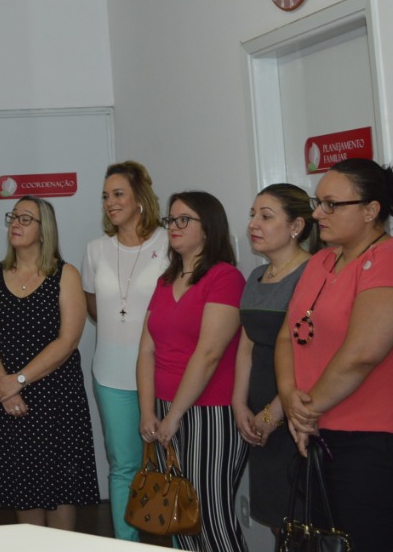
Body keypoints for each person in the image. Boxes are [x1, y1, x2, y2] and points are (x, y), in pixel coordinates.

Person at [275, 158, 393, 550]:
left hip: (370, 443)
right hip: (315, 432)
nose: (317, 214)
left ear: (370, 210)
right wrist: (289, 398)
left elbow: (363, 353)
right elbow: (287, 337)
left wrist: (305, 411)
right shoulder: (321, 260)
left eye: (331, 204)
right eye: (317, 202)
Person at [138, 191, 247, 552]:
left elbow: (209, 353)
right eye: (171, 219)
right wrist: (148, 412)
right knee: (180, 519)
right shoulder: (165, 280)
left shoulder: (225, 277)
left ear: (208, 227)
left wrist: (175, 415)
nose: (174, 226)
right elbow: (146, 350)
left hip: (209, 412)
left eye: (184, 219)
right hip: (166, 409)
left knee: (211, 518)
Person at [0, 197, 100, 529]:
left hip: (56, 397)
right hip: (8, 399)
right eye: (13, 217)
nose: (15, 223)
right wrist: (5, 387)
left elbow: (68, 340)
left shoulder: (65, 275)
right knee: (23, 489)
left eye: (25, 218)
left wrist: (18, 380)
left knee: (60, 490)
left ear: (44, 230)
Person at [80, 160, 169, 541]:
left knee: (172, 465)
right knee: (123, 467)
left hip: (164, 373)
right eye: (105, 196)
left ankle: (178, 541)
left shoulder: (167, 243)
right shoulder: (96, 249)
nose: (110, 203)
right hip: (111, 375)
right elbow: (93, 306)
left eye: (119, 194)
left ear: (140, 199)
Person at [232, 183, 316, 534]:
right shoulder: (256, 275)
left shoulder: (313, 274)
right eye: (253, 214)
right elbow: (247, 342)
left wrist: (273, 414)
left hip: (294, 410)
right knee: (277, 521)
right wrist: (239, 403)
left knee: (303, 519)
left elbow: (313, 356)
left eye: (266, 216)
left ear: (296, 226)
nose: (254, 224)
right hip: (256, 413)